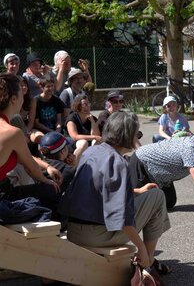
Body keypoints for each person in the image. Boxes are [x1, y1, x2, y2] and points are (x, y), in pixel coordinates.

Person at [59, 111, 171, 280]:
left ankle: (147, 258)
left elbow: (97, 190)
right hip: (97, 236)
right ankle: (148, 260)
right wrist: (139, 247)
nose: (137, 138)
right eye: (137, 134)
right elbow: (120, 217)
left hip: (74, 230)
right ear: (128, 136)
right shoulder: (118, 163)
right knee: (157, 196)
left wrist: (135, 191)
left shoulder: (91, 152)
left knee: (149, 194)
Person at [0, 73, 61, 219]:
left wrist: (46, 167)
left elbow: (24, 159)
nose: (24, 97)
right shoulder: (12, 133)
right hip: (3, 196)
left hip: (5, 189)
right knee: (51, 191)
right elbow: (31, 168)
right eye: (21, 92)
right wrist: (47, 180)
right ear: (13, 99)